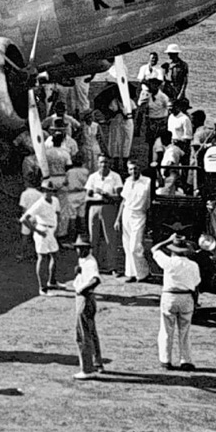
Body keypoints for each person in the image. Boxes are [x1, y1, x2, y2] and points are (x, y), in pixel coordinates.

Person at [150, 235, 201, 370]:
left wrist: (168, 239)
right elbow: (196, 283)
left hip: (170, 296)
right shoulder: (193, 265)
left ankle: (165, 360)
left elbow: (154, 249)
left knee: (166, 329)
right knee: (185, 331)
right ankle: (186, 360)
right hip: (186, 297)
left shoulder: (168, 262)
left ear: (172, 250)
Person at [71, 235, 104, 379]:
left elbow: (96, 280)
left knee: (83, 335)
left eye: (81, 248)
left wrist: (82, 290)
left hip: (84, 298)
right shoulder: (83, 260)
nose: (78, 250)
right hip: (87, 298)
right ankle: (97, 362)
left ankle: (87, 369)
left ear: (87, 249)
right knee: (91, 331)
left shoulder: (90, 262)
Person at [21, 181, 61, 295]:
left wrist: (56, 228)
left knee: (55, 255)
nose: (48, 193)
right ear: (43, 191)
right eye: (46, 190)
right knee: (42, 258)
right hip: (42, 231)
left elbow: (57, 213)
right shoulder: (39, 204)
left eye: (51, 191)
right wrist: (37, 231)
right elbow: (24, 219)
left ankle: (52, 282)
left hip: (51, 231)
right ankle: (43, 288)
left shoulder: (56, 201)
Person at [85, 155, 124, 275]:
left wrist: (105, 194)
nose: (104, 165)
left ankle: (112, 267)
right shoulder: (93, 177)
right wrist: (97, 197)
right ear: (97, 163)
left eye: (106, 162)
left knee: (110, 238)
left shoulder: (115, 176)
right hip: (94, 208)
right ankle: (93, 267)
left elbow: (118, 197)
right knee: (93, 238)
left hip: (109, 208)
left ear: (110, 163)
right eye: (101, 162)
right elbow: (87, 196)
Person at [115, 159, 151, 283]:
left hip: (139, 215)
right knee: (127, 245)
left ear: (139, 169)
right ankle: (131, 273)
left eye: (135, 168)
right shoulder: (127, 182)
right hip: (126, 215)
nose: (133, 171)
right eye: (131, 169)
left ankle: (143, 273)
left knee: (135, 246)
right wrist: (118, 220)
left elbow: (149, 201)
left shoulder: (147, 181)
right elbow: (123, 202)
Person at [137, 77, 171, 163]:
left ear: (158, 86)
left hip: (161, 121)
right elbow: (140, 107)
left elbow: (169, 109)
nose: (154, 87)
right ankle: (150, 163)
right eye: (152, 85)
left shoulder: (163, 97)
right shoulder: (146, 94)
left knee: (160, 144)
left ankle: (160, 162)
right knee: (150, 143)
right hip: (150, 122)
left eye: (156, 85)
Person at [17, 171, 44, 263]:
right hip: (36, 217)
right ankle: (36, 254)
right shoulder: (40, 194)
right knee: (35, 237)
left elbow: (24, 208)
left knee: (25, 236)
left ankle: (23, 254)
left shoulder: (24, 194)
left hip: (27, 217)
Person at [62, 156, 91, 239]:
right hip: (82, 193)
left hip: (72, 194)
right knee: (82, 215)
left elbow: (65, 182)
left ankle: (72, 237)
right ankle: (83, 235)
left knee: (72, 217)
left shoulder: (69, 172)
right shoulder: (85, 171)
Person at [79, 109, 104, 173]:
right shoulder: (82, 126)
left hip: (95, 148)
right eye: (87, 116)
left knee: (96, 166)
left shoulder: (96, 126)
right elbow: (78, 138)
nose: (89, 118)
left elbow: (101, 139)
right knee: (86, 166)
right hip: (86, 148)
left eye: (90, 116)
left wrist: (104, 150)